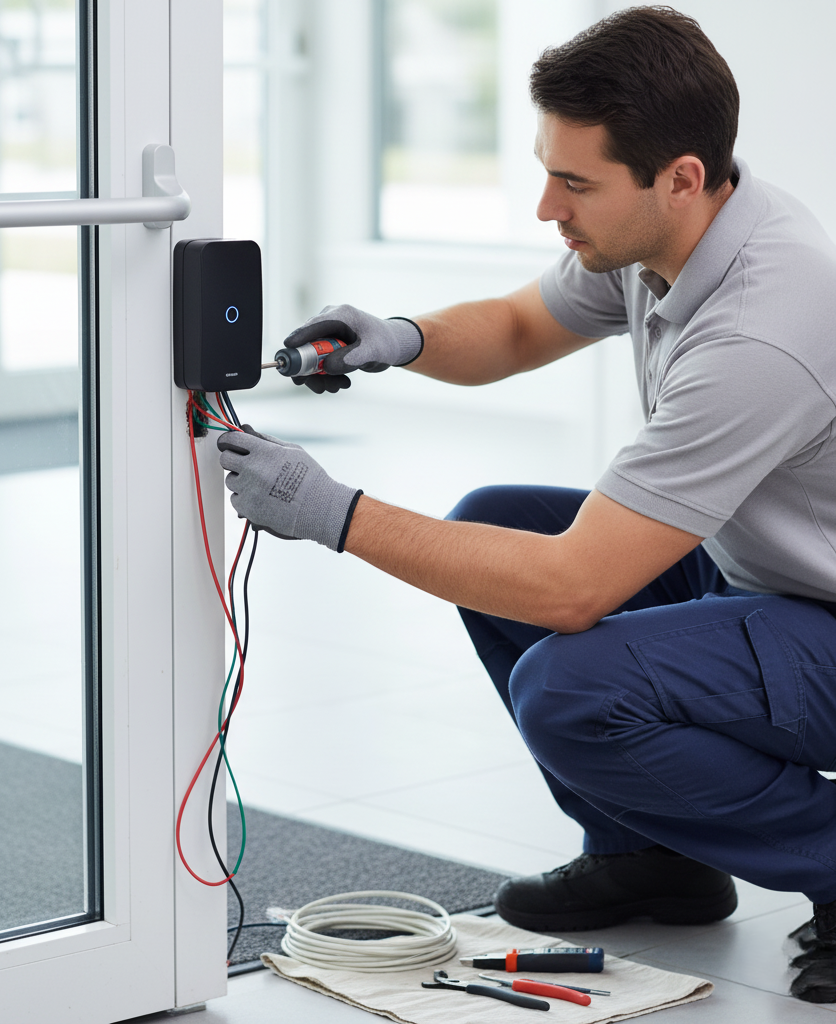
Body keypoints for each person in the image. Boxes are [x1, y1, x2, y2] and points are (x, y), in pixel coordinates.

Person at [215, 5, 836, 1003]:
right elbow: (513, 326)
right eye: (547, 170)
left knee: (571, 684)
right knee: (495, 514)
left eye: (573, 182)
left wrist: (332, 512)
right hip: (771, 577)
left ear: (678, 176)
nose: (548, 205)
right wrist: (396, 337)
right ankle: (651, 860)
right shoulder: (672, 236)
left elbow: (569, 589)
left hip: (824, 622)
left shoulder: (761, 326)